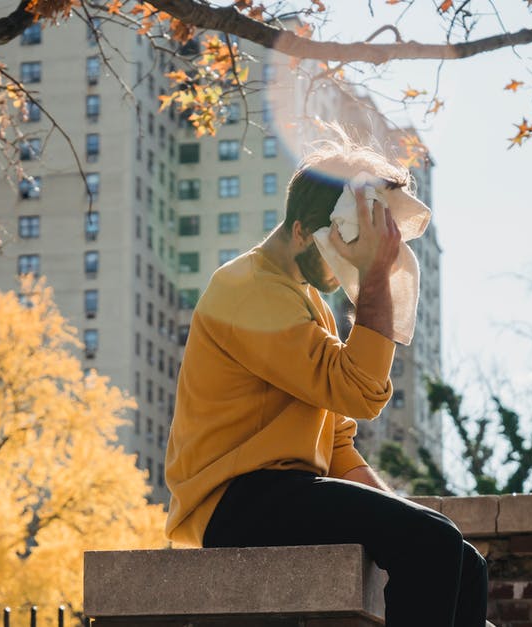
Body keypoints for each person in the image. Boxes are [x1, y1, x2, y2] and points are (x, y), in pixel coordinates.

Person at [163, 137, 488, 626]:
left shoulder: (306, 300)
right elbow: (358, 390)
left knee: (464, 561)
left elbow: (336, 443)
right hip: (234, 499)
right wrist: (375, 280)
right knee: (433, 542)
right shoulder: (248, 290)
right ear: (300, 231)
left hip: (287, 490)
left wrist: (400, 513)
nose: (346, 272)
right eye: (340, 255)